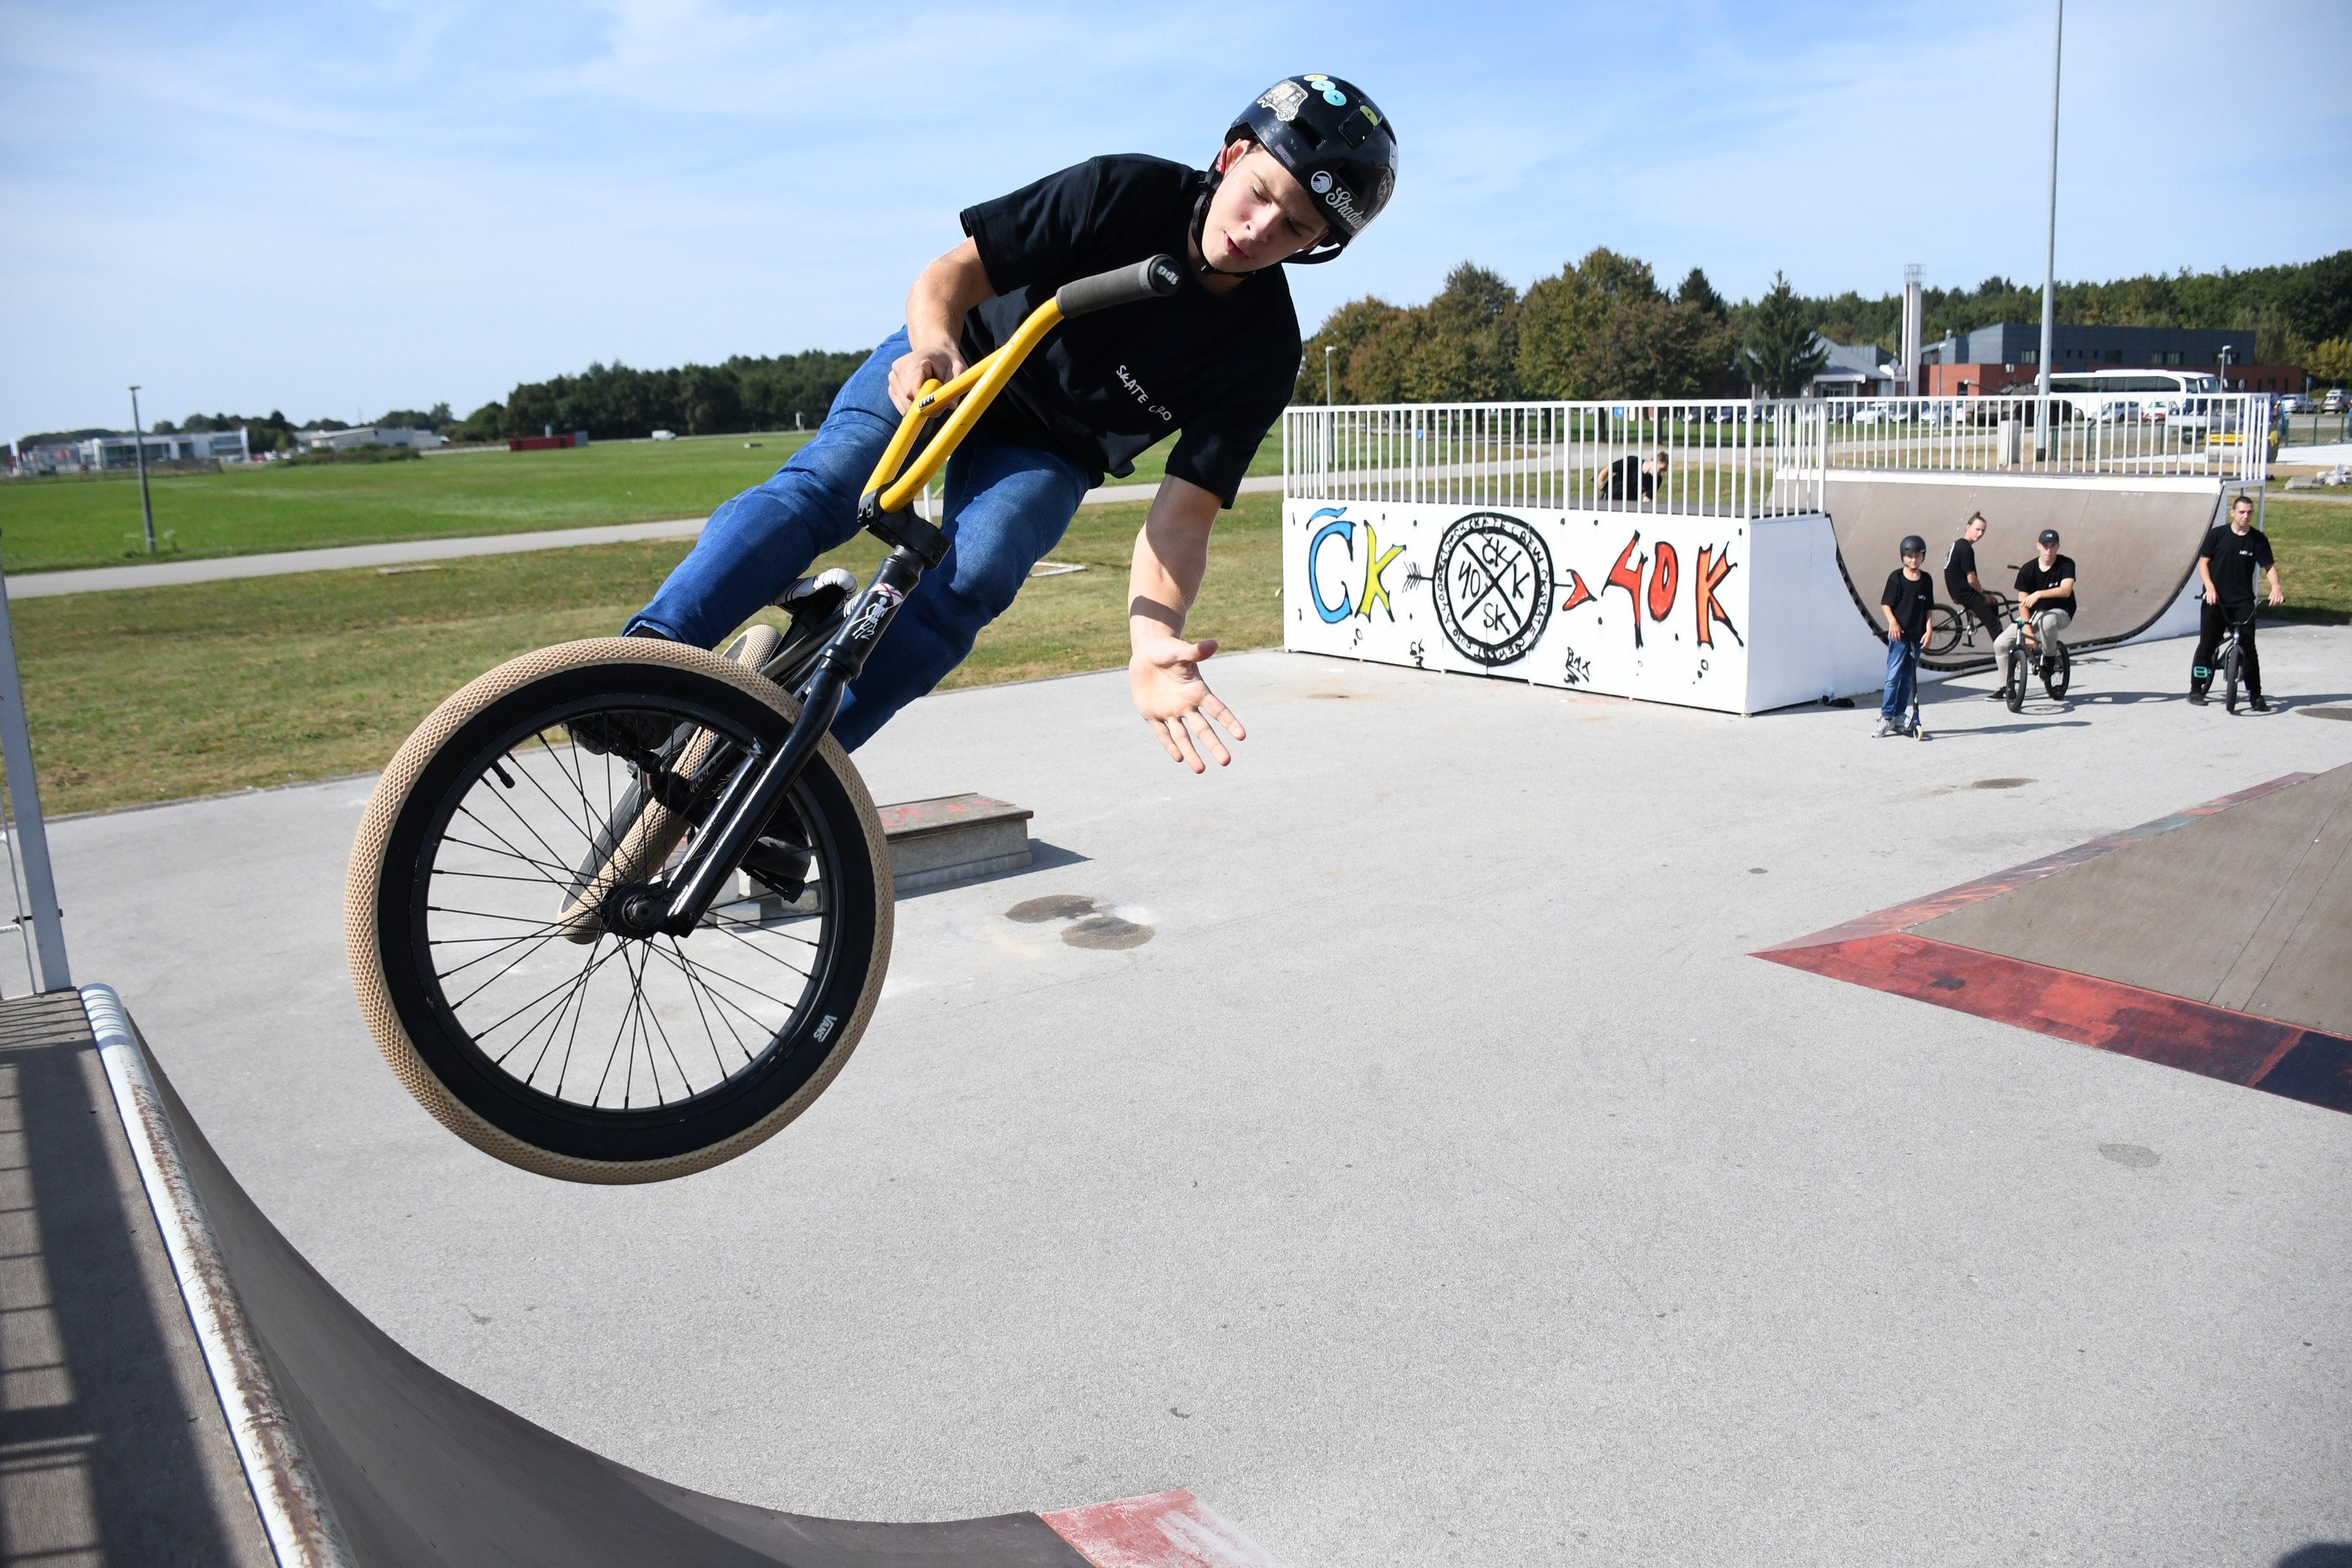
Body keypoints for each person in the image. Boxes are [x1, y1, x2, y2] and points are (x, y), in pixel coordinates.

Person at [615, 75, 1399, 772]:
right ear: (1230, 157)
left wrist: (1153, 639)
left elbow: (1183, 520)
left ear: (1318, 246)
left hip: (1050, 449)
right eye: (1260, 192)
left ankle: (794, 781)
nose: (1263, 229)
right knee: (830, 481)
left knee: (976, 578)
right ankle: (645, 665)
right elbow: (947, 277)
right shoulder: (1122, 191)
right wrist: (931, 347)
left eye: (1296, 227)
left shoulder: (1262, 352)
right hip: (966, 361)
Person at [2188, 493, 2284, 710]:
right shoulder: (2217, 535)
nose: (2246, 516)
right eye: (2242, 512)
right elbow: (2203, 564)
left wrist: (2276, 588)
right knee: (2207, 645)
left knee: (2249, 647)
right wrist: (2210, 589)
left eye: (2250, 512)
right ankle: (2196, 688)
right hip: (2215, 601)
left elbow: (2269, 567)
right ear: (2233, 513)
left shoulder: (2258, 540)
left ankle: (2255, 695)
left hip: (2242, 602)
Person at [1994, 527, 2077, 694]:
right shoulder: (2028, 569)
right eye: (2045, 545)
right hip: (2034, 614)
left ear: (2058, 547)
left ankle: (2050, 659)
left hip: (2061, 611)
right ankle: (2005, 686)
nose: (2049, 549)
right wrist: (2027, 627)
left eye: (2052, 545)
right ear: (2038, 546)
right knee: (2001, 643)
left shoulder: (2066, 564)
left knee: (2048, 621)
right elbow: (2022, 601)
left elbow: (2066, 590)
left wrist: (2039, 594)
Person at [1876, 535, 1936, 737]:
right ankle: (1886, 717)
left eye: (1917, 556)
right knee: (1893, 677)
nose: (1914, 560)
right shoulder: (1896, 578)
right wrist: (1892, 622)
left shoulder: (1926, 580)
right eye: (1909, 556)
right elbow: (1886, 604)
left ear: (1922, 557)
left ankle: (1900, 716)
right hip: (1899, 636)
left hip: (1916, 636)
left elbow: (1928, 608)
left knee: (1908, 679)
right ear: (1903, 557)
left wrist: (1929, 629)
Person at [1941, 511, 2004, 672]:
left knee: (1994, 600)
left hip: (1956, 589)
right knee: (1994, 623)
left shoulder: (1957, 544)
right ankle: (2006, 654)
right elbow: (1971, 579)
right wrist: (1982, 595)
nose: (1980, 534)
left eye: (1983, 531)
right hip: (1964, 592)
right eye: (1977, 529)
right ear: (1968, 527)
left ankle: (1978, 613)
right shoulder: (1966, 548)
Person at [1601, 449, 1669, 503]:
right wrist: (1600, 480)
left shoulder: (1657, 480)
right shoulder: (1633, 462)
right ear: (1654, 461)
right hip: (1610, 497)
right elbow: (1608, 469)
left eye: (1664, 471)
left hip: (1630, 504)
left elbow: (1647, 499)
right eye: (1661, 469)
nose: (1662, 473)